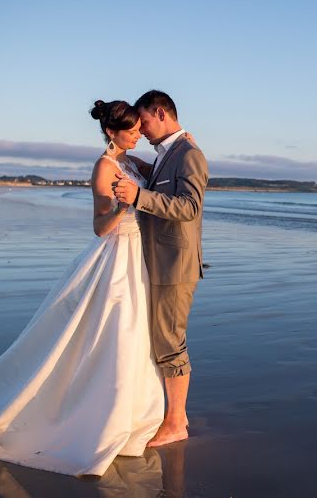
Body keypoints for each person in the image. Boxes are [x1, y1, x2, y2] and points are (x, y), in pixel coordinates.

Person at [0, 100, 172, 477]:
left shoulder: (131, 162)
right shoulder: (105, 167)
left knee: (132, 336)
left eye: (137, 129)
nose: (137, 134)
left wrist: (182, 144)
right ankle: (96, 416)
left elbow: (163, 168)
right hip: (116, 256)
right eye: (131, 130)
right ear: (112, 133)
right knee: (114, 332)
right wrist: (123, 206)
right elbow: (99, 227)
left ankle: (133, 414)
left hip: (138, 259)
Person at [113, 90, 208, 448]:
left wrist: (137, 196)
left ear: (160, 112)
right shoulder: (169, 154)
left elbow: (189, 207)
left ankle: (176, 422)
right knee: (159, 339)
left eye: (145, 122)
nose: (142, 129)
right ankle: (167, 416)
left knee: (170, 342)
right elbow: (164, 181)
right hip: (156, 261)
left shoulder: (190, 154)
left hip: (176, 264)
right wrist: (136, 165)